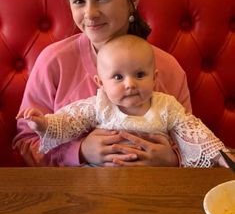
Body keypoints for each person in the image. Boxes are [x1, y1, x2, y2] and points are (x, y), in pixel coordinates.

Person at [13, 0, 191, 167]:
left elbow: (190, 137)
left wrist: (172, 159)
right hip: (74, 194)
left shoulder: (167, 68)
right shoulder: (53, 62)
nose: (90, 13)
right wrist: (79, 152)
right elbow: (26, 141)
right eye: (79, 1)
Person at [17, 34, 228, 168]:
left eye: (139, 75)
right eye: (118, 77)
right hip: (100, 176)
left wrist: (220, 156)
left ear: (155, 78)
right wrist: (44, 123)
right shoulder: (100, 105)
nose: (130, 84)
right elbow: (70, 120)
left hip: (156, 179)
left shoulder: (167, 105)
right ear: (100, 83)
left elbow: (194, 131)